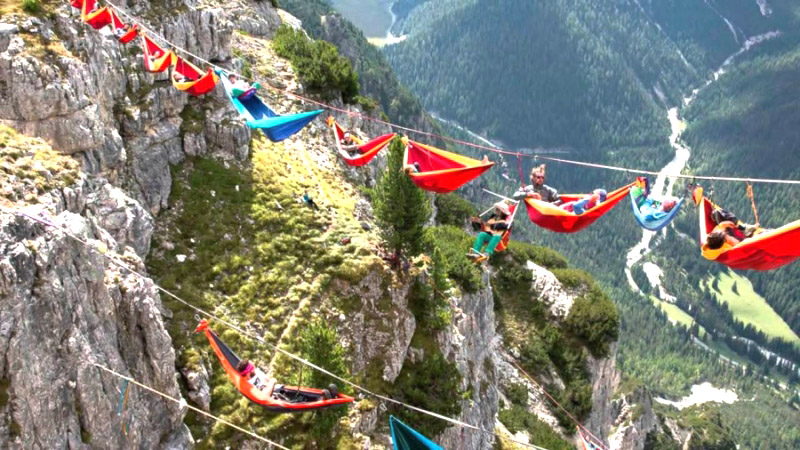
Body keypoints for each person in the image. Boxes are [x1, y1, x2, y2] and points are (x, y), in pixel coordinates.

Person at [236, 359, 337, 400]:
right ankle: (323, 400)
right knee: (298, 400)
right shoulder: (248, 385)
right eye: (252, 367)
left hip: (279, 389)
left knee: (301, 393)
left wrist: (270, 382)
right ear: (248, 372)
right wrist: (272, 383)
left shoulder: (256, 372)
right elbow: (264, 396)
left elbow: (267, 380)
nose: (255, 367)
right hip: (275, 398)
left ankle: (324, 395)